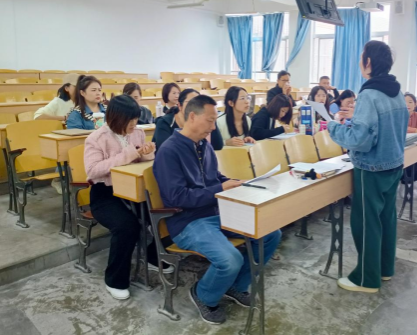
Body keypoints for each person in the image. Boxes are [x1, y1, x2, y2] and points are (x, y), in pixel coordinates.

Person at [153, 95, 281, 325]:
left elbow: (214, 177)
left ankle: (236, 286)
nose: (213, 127)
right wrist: (220, 188)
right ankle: (203, 295)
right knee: (230, 259)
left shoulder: (204, 145)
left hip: (216, 212)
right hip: (188, 222)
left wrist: (234, 182)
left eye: (215, 121)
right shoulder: (169, 151)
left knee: (271, 233)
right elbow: (176, 197)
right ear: (192, 117)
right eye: (210, 121)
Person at [328, 40, 408, 294]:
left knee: (366, 222)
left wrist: (333, 126)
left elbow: (359, 140)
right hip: (394, 163)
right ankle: (384, 269)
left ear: (369, 62)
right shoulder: (396, 92)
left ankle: (366, 278)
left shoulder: (369, 94)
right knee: (386, 219)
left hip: (371, 168)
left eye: (362, 57)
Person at [84, 95, 172, 301]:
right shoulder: (96, 138)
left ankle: (152, 255)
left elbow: (141, 161)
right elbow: (93, 171)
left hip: (135, 190)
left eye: (135, 119)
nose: (134, 124)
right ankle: (115, 280)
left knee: (165, 212)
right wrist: (130, 154)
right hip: (106, 195)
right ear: (115, 118)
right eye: (129, 120)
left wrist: (148, 153)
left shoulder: (137, 132)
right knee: (126, 226)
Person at [153, 89, 223, 151]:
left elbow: (217, 145)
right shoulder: (164, 122)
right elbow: (168, 150)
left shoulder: (203, 121)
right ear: (179, 106)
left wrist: (211, 120)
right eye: (191, 103)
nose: (196, 107)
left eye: (199, 104)